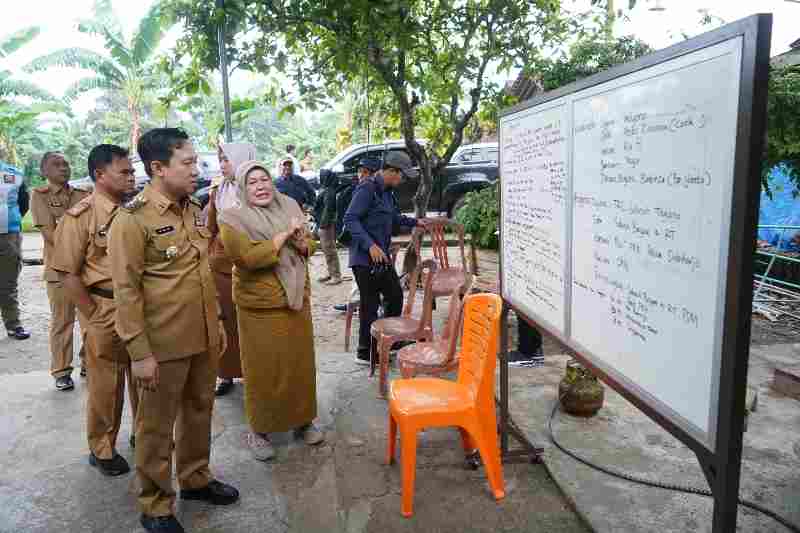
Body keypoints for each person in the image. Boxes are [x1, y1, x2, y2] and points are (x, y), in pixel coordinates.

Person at [109, 128, 238, 533]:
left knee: (200, 410)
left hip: (201, 334)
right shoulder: (132, 219)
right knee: (156, 427)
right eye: (187, 162)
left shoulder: (192, 208)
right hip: (161, 345)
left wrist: (218, 321)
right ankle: (155, 504)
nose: (196, 170)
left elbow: (201, 272)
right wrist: (139, 353)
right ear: (158, 167)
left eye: (196, 161)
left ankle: (195, 478)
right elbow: (126, 291)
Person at [219, 160, 324, 461]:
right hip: (260, 308)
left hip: (296, 300)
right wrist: (280, 238)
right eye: (252, 182)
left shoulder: (289, 205)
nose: (260, 186)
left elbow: (310, 245)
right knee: (265, 371)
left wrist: (303, 243)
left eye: (264, 179)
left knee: (300, 366)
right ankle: (260, 430)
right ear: (242, 188)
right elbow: (247, 259)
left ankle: (303, 421)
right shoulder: (232, 218)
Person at [51, 144, 140, 475]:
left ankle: (144, 434)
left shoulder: (136, 211)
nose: (132, 177)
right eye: (124, 172)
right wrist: (93, 314)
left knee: (145, 377)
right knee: (107, 384)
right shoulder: (81, 216)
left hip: (139, 306)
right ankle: (102, 448)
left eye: (132, 171)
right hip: (105, 306)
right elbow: (67, 272)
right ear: (100, 175)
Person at [343, 152, 428, 365]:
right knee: (370, 304)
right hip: (364, 258)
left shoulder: (387, 192)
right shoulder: (367, 188)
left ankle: (391, 339)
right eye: (402, 175)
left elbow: (393, 217)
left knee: (395, 295)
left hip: (381, 257)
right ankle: (366, 352)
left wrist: (415, 222)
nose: (403, 180)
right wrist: (369, 245)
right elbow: (350, 219)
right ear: (391, 171)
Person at [30, 152, 90, 390]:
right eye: (56, 164)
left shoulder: (83, 193)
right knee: (62, 322)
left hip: (86, 270)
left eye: (66, 163)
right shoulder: (39, 195)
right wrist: (82, 245)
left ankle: (89, 362)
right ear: (44, 171)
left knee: (90, 320)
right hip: (59, 271)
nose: (63, 167)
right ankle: (62, 371)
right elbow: (51, 234)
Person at [205, 142, 256, 397]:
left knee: (250, 325)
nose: (222, 164)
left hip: (253, 266)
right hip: (222, 269)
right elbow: (209, 228)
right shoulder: (219, 191)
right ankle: (225, 374)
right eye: (221, 160)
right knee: (225, 322)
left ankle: (253, 373)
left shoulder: (258, 188)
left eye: (226, 159)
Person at [333, 157, 381, 313]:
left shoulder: (377, 191)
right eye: (360, 171)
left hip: (372, 245)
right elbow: (349, 218)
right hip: (361, 245)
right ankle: (355, 304)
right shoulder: (359, 189)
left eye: (366, 172)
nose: (361, 175)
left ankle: (360, 305)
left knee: (374, 282)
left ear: (375, 174)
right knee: (362, 281)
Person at [0, 161, 30, 341]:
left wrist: (11, 220)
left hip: (9, 235)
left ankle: (13, 325)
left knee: (8, 282)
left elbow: (23, 203)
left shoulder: (14, 174)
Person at [316, 167, 342, 285]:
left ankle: (336, 276)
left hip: (326, 225)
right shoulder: (327, 189)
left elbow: (328, 210)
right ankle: (331, 272)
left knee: (330, 250)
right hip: (324, 224)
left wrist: (322, 226)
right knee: (327, 250)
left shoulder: (329, 191)